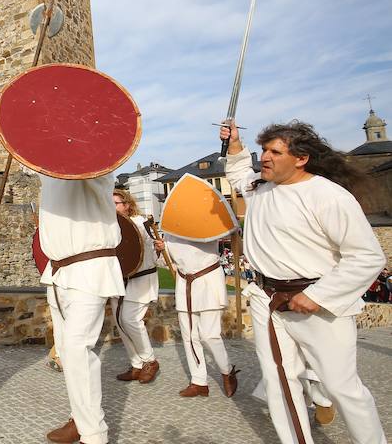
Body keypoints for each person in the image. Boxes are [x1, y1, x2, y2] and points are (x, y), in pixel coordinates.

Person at [222, 120, 386, 444]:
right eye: (264, 150)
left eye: (275, 152)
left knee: (342, 386)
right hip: (266, 300)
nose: (265, 158)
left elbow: (367, 257)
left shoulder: (329, 197)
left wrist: (318, 295)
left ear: (301, 158)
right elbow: (239, 174)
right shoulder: (258, 187)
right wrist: (235, 144)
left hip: (317, 305)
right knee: (280, 382)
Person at [39, 173, 124, 444]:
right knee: (65, 351)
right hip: (58, 272)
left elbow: (99, 159)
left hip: (90, 268)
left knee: (76, 348)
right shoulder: (46, 168)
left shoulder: (91, 164)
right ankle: (80, 417)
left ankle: (94, 434)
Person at [161, 234, 238, 397]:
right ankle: (199, 382)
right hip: (184, 283)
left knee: (209, 335)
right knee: (189, 336)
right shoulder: (170, 230)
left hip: (208, 280)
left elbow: (226, 233)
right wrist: (161, 250)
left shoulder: (206, 223)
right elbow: (166, 262)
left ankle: (227, 370)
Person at [109, 189, 160, 384]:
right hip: (119, 280)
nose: (113, 207)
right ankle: (136, 364)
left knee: (131, 320)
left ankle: (150, 360)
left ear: (127, 205)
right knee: (120, 323)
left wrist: (159, 248)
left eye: (116, 203)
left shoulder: (141, 224)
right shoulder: (109, 226)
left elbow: (151, 256)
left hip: (141, 279)